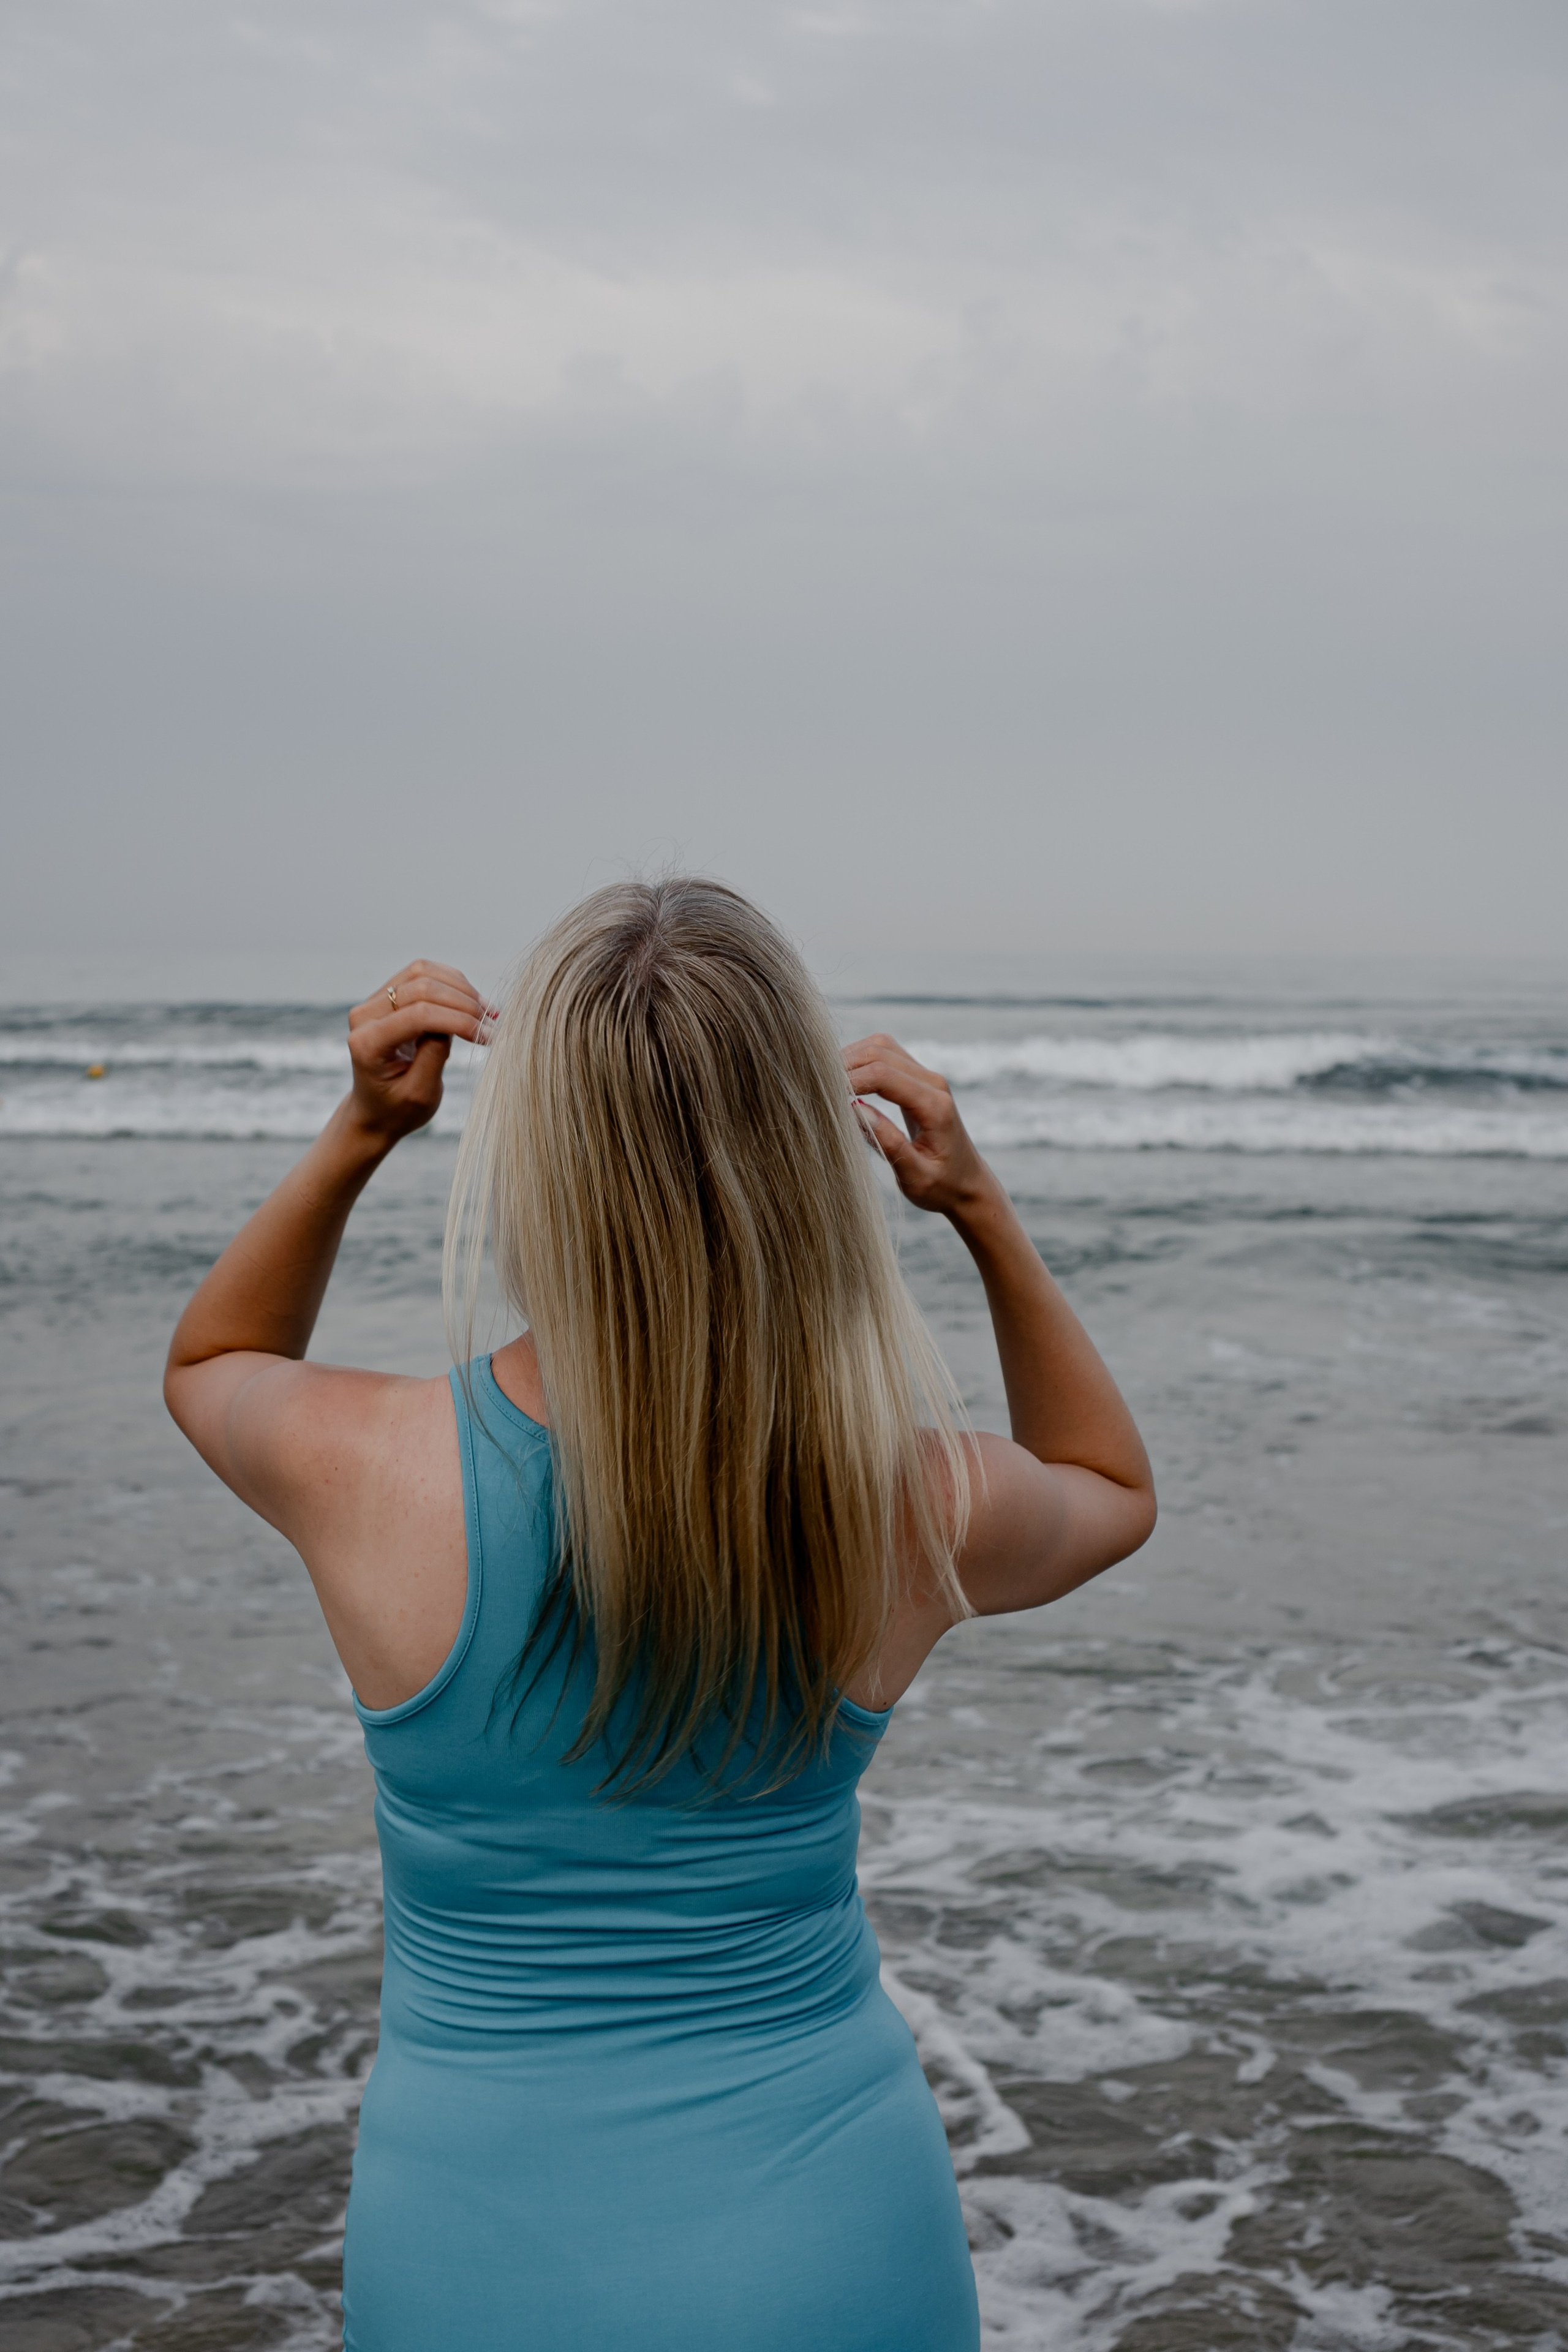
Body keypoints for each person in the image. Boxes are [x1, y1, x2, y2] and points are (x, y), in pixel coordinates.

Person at [164, 878, 1156, 2352]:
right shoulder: (901, 1499)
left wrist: (364, 1129)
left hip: (474, 2253)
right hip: (833, 2240)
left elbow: (214, 1357)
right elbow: (1104, 1486)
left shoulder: (366, 1467)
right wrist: (974, 1207)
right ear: (796, 1154)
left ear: (536, 1155)